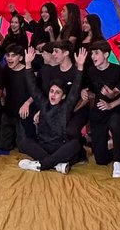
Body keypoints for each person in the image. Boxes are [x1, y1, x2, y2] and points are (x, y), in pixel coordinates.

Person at [18, 45, 87, 173]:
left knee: (75, 145)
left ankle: (42, 165)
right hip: (44, 146)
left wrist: (80, 66)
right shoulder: (43, 103)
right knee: (24, 142)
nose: (53, 95)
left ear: (63, 96)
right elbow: (33, 87)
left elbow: (76, 87)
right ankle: (56, 165)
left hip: (61, 146)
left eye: (57, 93)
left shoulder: (66, 105)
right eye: (51, 91)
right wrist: (27, 64)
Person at [83, 39, 120, 176]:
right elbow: (89, 90)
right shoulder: (90, 71)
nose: (93, 57)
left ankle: (119, 161)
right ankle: (118, 150)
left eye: (96, 53)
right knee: (100, 159)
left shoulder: (119, 70)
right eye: (92, 54)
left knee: (116, 122)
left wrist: (112, 103)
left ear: (106, 54)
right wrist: (84, 91)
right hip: (98, 112)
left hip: (115, 110)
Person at [0, 44, 33, 152]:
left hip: (23, 113)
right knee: (3, 146)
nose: (9, 58)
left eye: (13, 56)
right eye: (8, 55)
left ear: (21, 58)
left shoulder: (28, 71)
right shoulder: (6, 70)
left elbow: (36, 93)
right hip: (9, 111)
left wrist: (27, 103)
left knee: (23, 147)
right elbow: (1, 89)